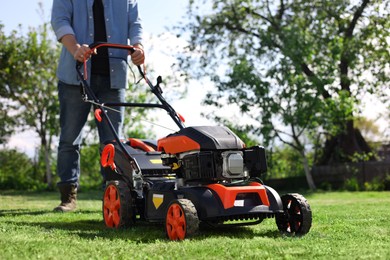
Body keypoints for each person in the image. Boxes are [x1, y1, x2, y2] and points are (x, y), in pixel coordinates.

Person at [51, 0, 145, 212]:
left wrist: (138, 47)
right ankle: (68, 197)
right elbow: (60, 20)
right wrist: (75, 48)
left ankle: (113, 195)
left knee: (113, 142)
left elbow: (135, 24)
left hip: (113, 76)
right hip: (75, 76)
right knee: (69, 138)